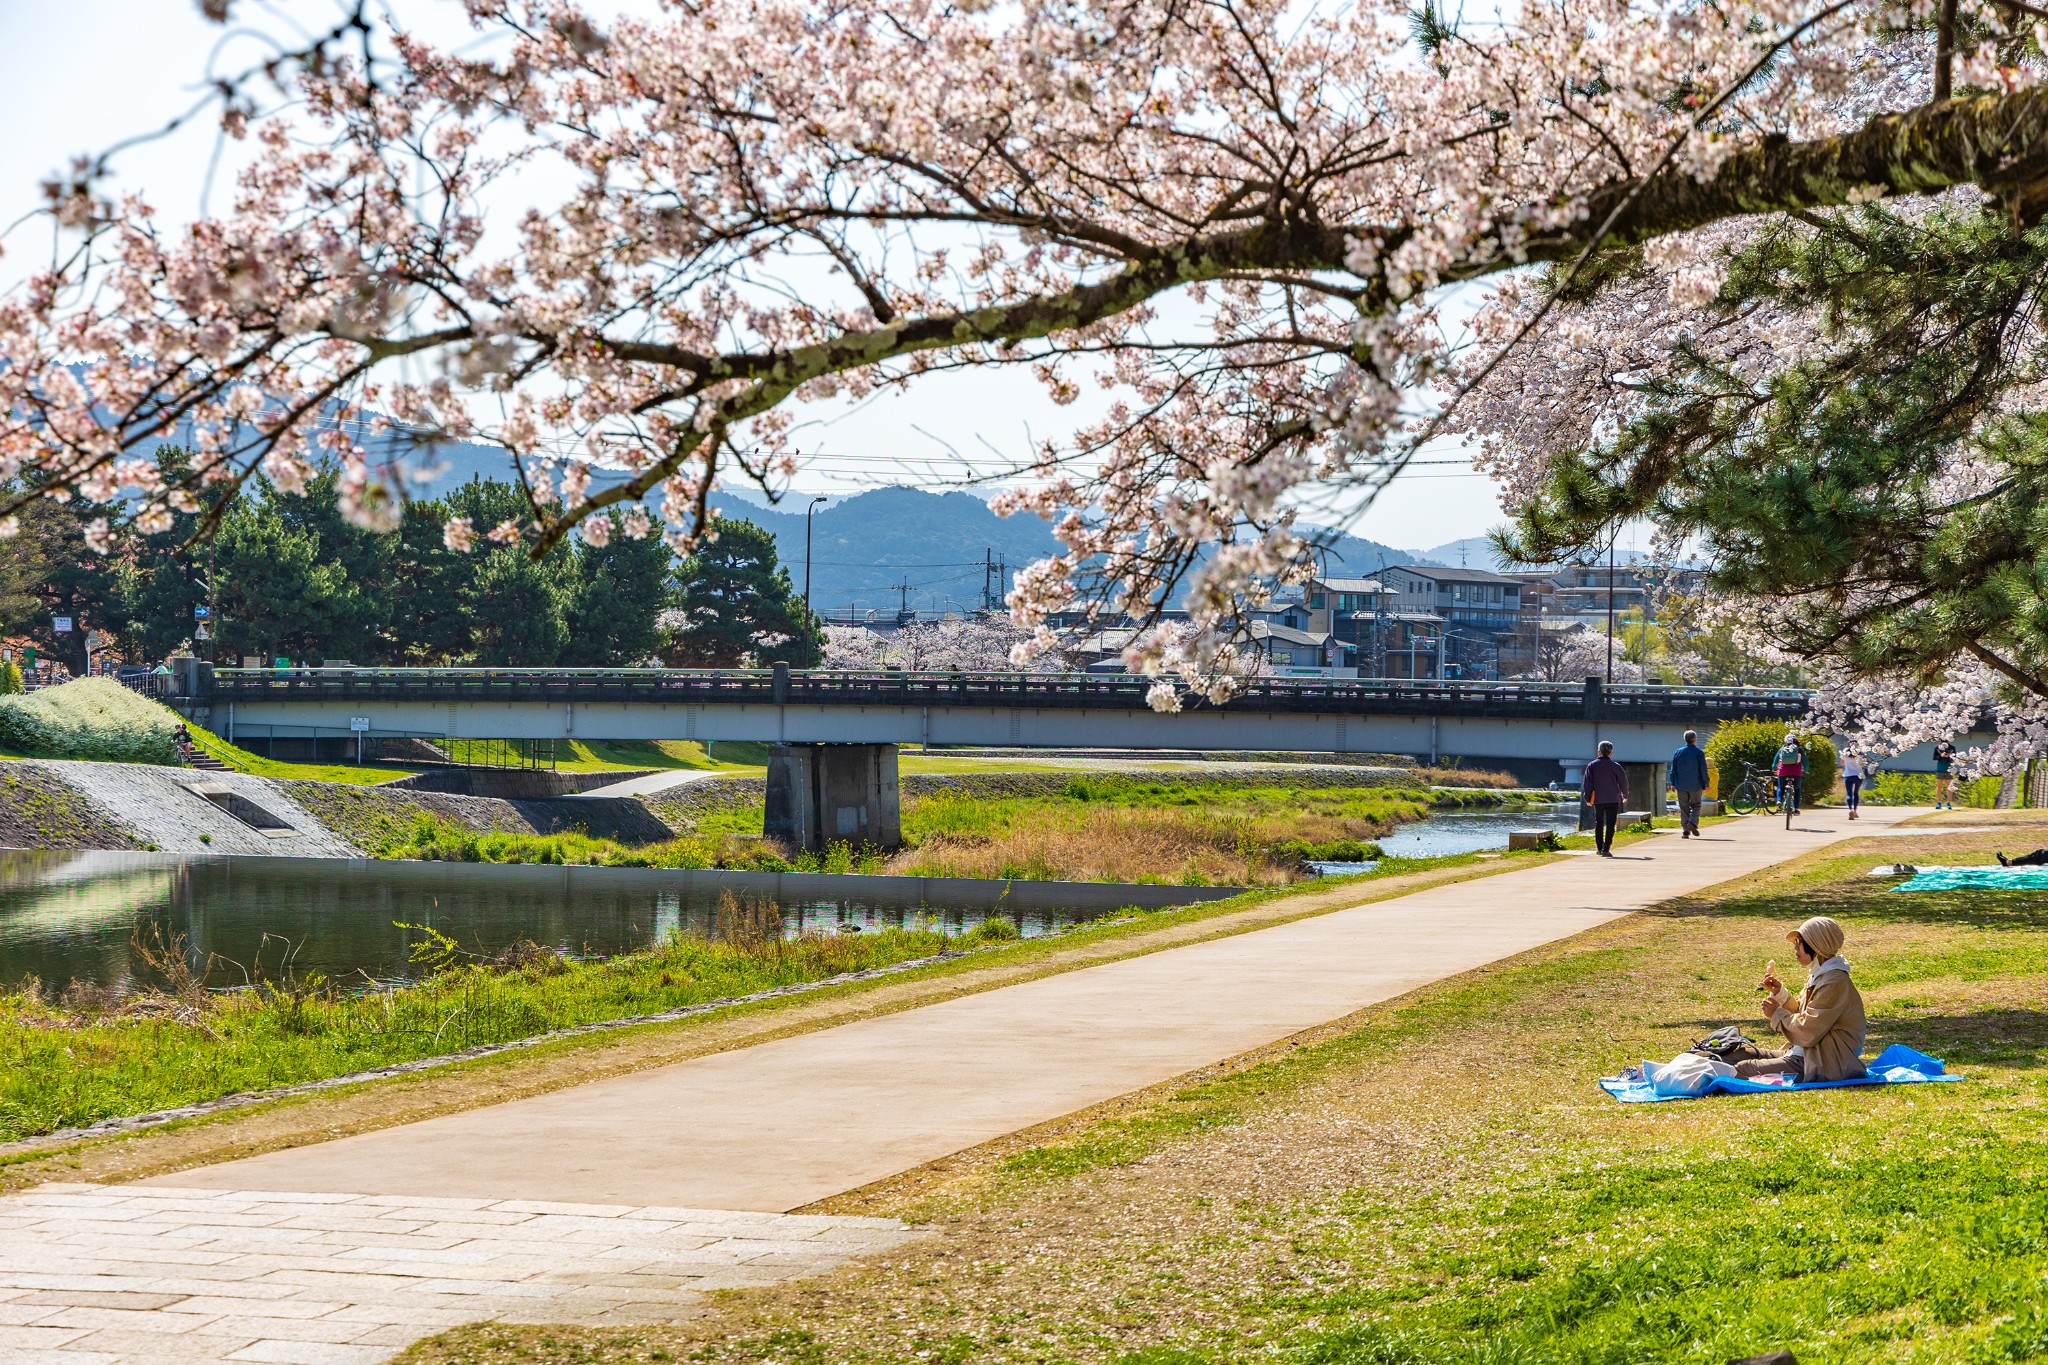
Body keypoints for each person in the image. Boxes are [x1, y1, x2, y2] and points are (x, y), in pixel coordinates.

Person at [1735, 915, 1868, 1081]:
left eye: (1799, 943)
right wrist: (1780, 994)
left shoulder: (1835, 981)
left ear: (1815, 946)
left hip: (1822, 1062)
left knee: (1743, 1069)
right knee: (1736, 1053)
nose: (1795, 949)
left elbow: (1808, 1030)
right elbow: (1803, 1012)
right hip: (1802, 1053)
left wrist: (1777, 1014)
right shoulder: (1821, 975)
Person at [1581, 740, 1629, 857]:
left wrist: (1587, 798)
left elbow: (1588, 783)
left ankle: (1599, 848)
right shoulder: (1616, 766)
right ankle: (1606, 849)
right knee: (1611, 824)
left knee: (1599, 823)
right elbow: (1623, 782)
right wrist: (1625, 795)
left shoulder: (1592, 766)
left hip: (1598, 799)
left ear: (1599, 752)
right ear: (1611, 753)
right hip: (1613, 798)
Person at [1669, 728, 1710, 839]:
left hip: (1681, 785)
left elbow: (1674, 769)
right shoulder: (1699, 753)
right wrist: (1706, 783)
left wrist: (1673, 782)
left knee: (1684, 807)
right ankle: (1692, 823)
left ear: (1685, 739)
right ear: (1695, 739)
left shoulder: (1678, 752)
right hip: (1695, 785)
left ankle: (1685, 831)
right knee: (1696, 805)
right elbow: (1703, 770)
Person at [1773, 733, 1806, 816]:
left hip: (1783, 771)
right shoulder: (1799, 749)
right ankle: (1797, 809)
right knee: (1797, 789)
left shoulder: (1782, 749)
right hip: (1796, 771)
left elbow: (1775, 760)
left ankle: (1779, 801)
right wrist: (1806, 770)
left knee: (1781, 787)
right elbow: (1805, 760)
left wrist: (1774, 768)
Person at [1841, 748, 1865, 821]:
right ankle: (1855, 811)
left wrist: (1848, 762)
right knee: (1855, 793)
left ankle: (1850, 809)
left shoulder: (1845, 752)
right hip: (1858, 775)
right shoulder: (1861, 752)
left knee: (1849, 794)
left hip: (1848, 775)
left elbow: (1842, 763)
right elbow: (1863, 763)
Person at [1933, 739, 1957, 809]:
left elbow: (1954, 759)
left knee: (1949, 786)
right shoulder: (1937, 748)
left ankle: (1948, 803)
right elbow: (1934, 757)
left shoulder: (1952, 748)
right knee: (1939, 786)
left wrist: (1948, 756)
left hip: (1949, 769)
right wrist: (1941, 755)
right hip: (1940, 769)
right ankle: (1938, 802)